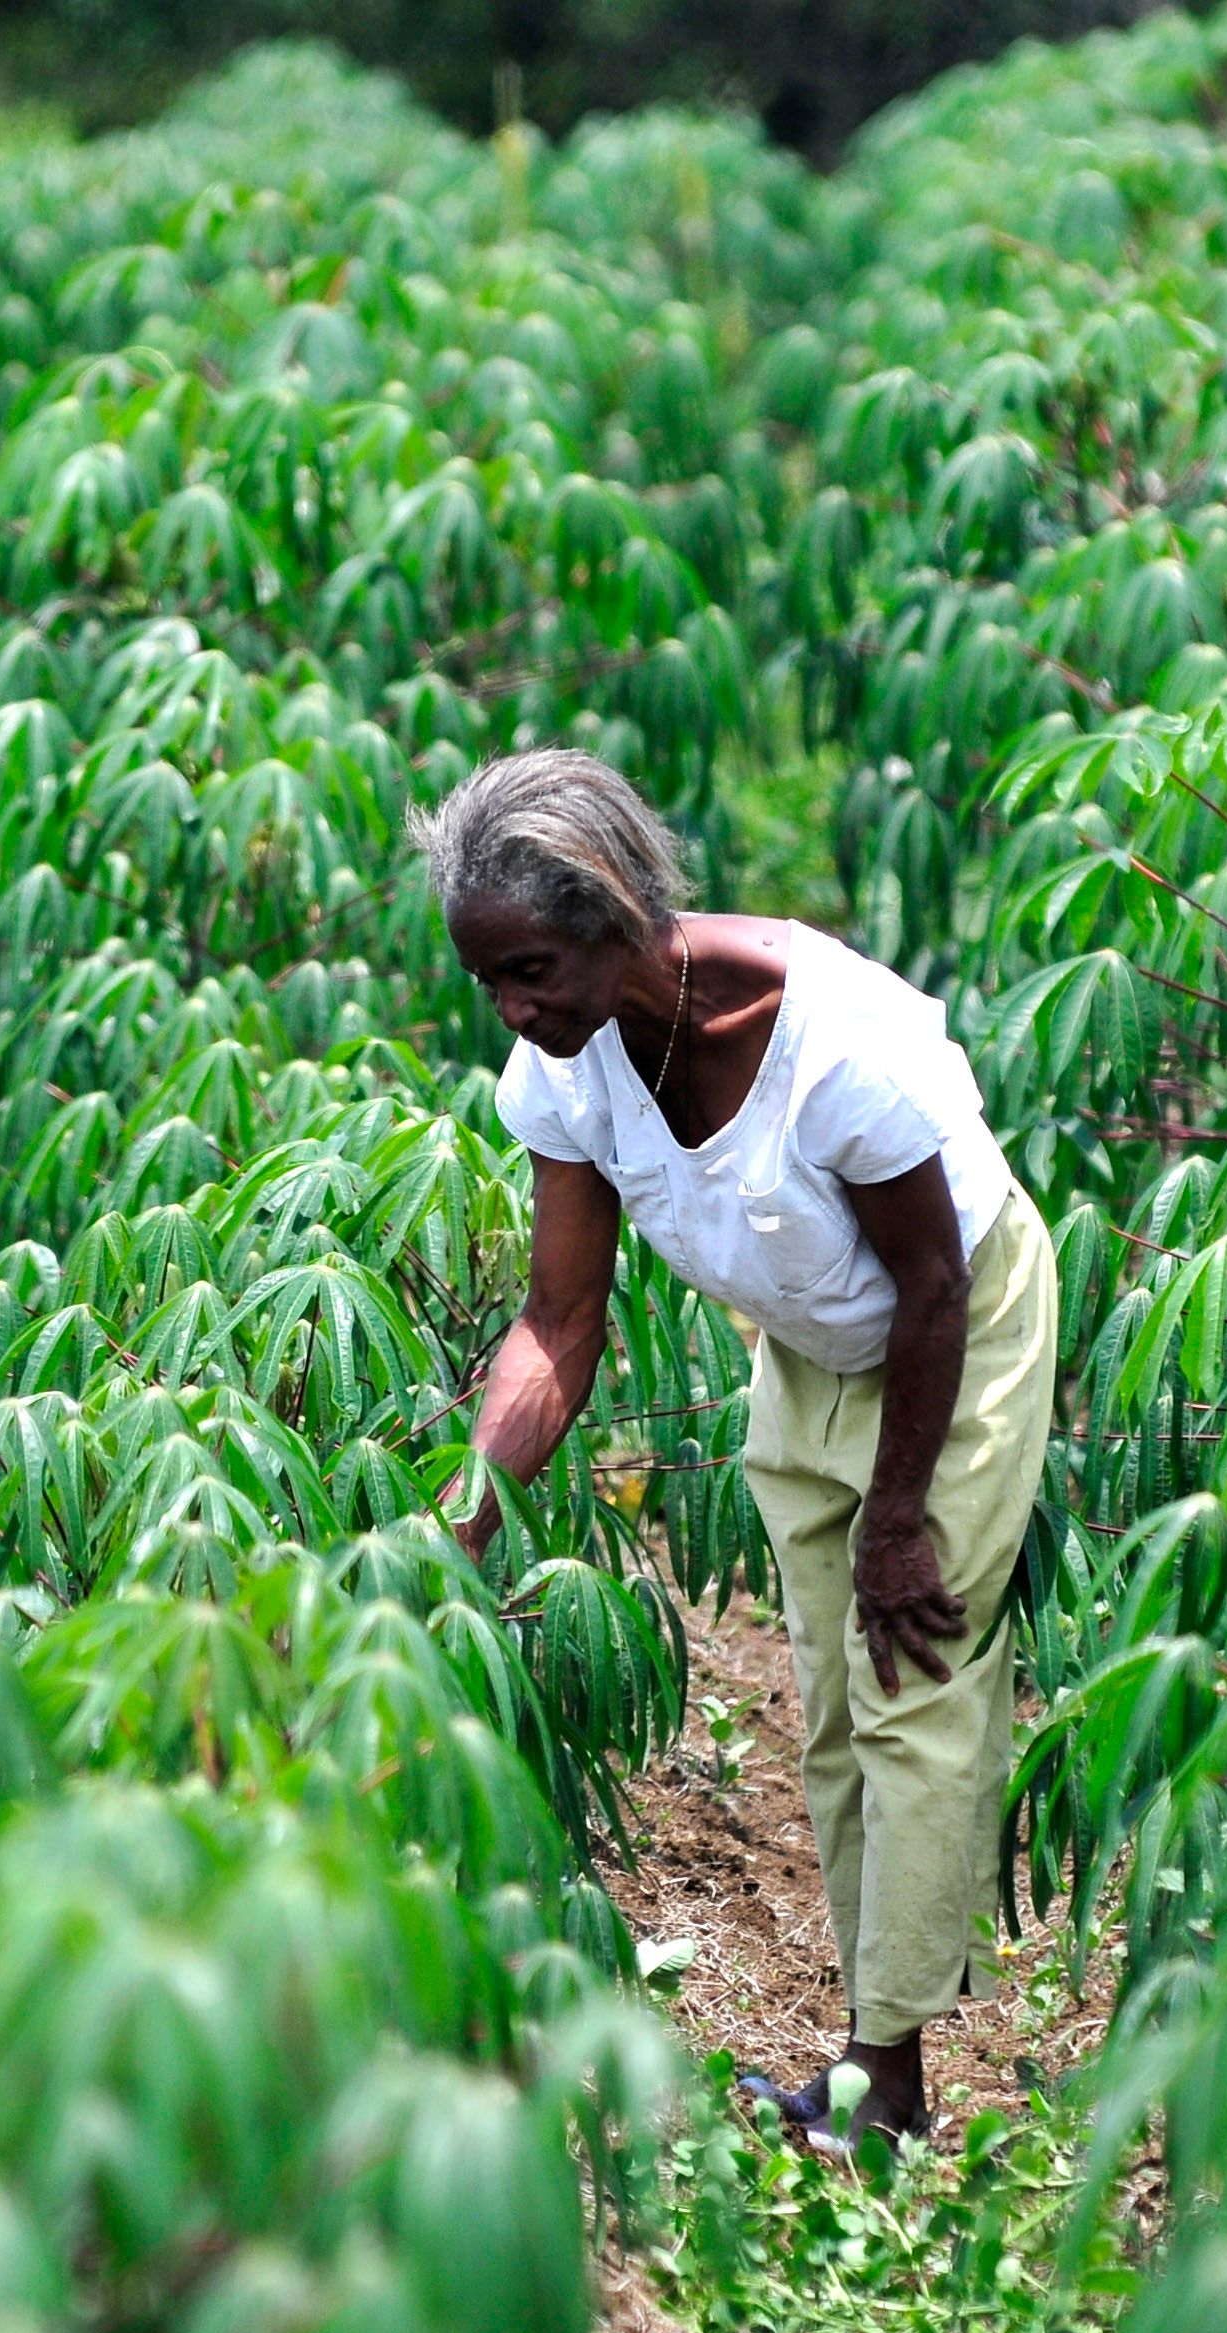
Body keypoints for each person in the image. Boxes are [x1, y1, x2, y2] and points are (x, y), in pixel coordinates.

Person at [418, 746, 1054, 2150]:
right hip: (814, 1340)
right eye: (491, 983)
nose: (516, 1010)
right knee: (830, 1707)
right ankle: (874, 2069)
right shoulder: (567, 1071)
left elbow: (939, 1288)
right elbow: (558, 1323)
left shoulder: (835, 1043)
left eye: (533, 969)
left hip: (958, 1333)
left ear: (617, 914)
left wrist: (903, 1519)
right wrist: (460, 1515)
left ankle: (883, 2082)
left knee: (914, 1675)